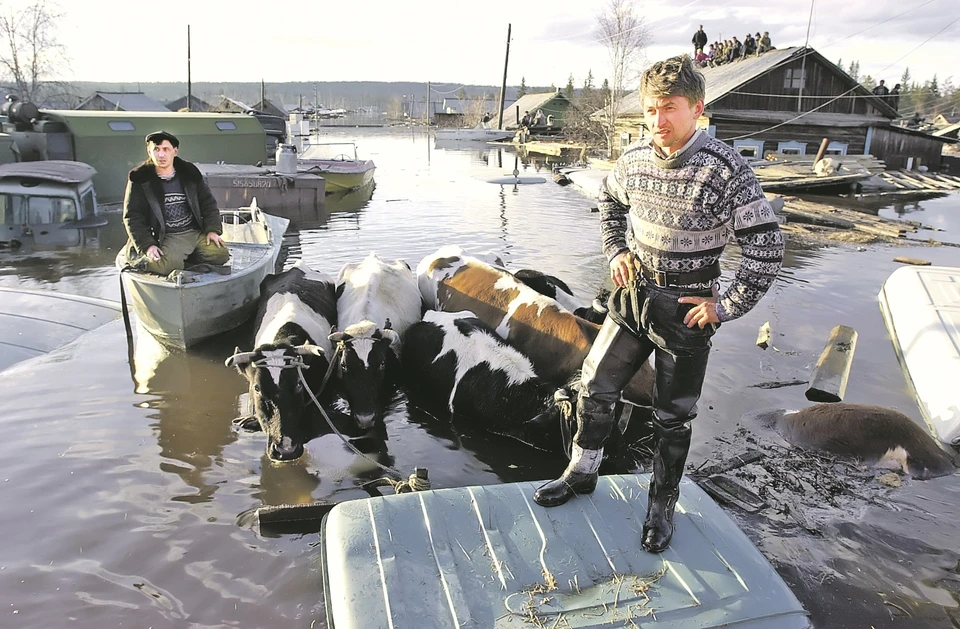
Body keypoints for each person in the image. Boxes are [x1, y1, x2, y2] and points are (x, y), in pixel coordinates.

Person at [532, 55, 784, 554]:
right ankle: (582, 472)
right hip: (632, 297)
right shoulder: (634, 159)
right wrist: (616, 250)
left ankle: (660, 506)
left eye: (670, 108)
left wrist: (725, 306)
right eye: (650, 110)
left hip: (687, 309)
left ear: (698, 109)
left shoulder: (725, 170)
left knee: (672, 418)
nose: (658, 121)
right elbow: (609, 203)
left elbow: (766, 247)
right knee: (594, 387)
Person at [121, 130, 229, 276]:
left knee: (220, 254)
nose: (161, 155)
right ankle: (145, 260)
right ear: (149, 151)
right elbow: (132, 217)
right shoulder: (140, 179)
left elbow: (208, 204)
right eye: (156, 150)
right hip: (167, 236)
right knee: (165, 267)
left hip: (194, 232)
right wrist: (148, 246)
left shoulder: (189, 173)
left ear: (175, 151)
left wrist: (212, 230)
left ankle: (183, 258)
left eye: (166, 149)